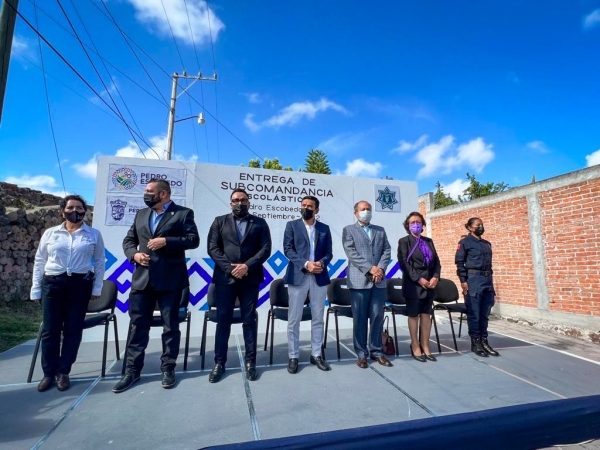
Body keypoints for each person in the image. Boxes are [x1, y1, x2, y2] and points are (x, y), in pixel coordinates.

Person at [113, 178, 200, 393]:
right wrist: (134, 255)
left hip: (170, 280)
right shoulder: (141, 214)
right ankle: (132, 370)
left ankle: (168, 368)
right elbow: (128, 241)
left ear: (163, 194)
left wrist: (167, 241)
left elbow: (193, 240)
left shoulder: (183, 213)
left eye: (150, 191)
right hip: (142, 280)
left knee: (170, 326)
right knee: (137, 326)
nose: (146, 194)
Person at [31, 195, 105, 392]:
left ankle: (63, 372)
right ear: (62, 211)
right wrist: (36, 289)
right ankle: (49, 372)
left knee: (73, 330)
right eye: (71, 207)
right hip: (53, 284)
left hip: (79, 285)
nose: (75, 211)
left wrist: (97, 288)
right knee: (50, 330)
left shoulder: (93, 234)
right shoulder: (50, 233)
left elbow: (99, 262)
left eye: (79, 207)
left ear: (85, 211)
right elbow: (40, 261)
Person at [207, 188, 272, 383]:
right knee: (223, 321)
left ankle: (251, 362)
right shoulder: (220, 221)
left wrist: (246, 267)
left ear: (249, 202)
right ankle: (219, 363)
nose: (239, 203)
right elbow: (212, 248)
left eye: (243, 200)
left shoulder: (259, 223)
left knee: (249, 321)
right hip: (225, 280)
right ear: (230, 203)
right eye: (236, 200)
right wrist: (230, 268)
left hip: (250, 279)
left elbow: (265, 249)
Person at [283, 195, 333, 374]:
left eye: (310, 206)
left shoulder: (324, 228)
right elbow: (288, 249)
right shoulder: (292, 226)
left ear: (316, 210)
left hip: (319, 277)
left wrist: (321, 263)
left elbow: (329, 253)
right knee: (294, 318)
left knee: (318, 317)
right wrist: (306, 264)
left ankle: (316, 354)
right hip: (299, 276)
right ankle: (293, 356)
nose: (306, 208)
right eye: (303, 205)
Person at [342, 200, 393, 369]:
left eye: (369, 209)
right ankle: (361, 354)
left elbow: (386, 250)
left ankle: (377, 351)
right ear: (356, 213)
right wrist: (370, 269)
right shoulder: (349, 230)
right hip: (359, 281)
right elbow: (352, 253)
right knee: (360, 318)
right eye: (363, 209)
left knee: (378, 316)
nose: (366, 212)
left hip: (378, 281)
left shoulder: (380, 230)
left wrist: (380, 269)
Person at [397, 212, 441, 362]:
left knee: (426, 314)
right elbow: (404, 264)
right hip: (413, 284)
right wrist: (419, 279)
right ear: (408, 226)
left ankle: (426, 346)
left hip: (430, 283)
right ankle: (415, 346)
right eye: (412, 222)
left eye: (418, 222)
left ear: (422, 225)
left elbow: (436, 262)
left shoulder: (429, 241)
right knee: (414, 315)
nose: (415, 224)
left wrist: (435, 277)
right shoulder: (404, 242)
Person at [455, 217, 500, 357]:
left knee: (485, 313)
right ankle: (475, 343)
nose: (481, 227)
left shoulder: (487, 244)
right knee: (474, 313)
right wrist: (463, 281)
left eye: (482, 224)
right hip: (473, 279)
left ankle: (484, 340)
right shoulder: (464, 243)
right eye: (477, 225)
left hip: (487, 280)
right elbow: (459, 263)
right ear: (469, 227)